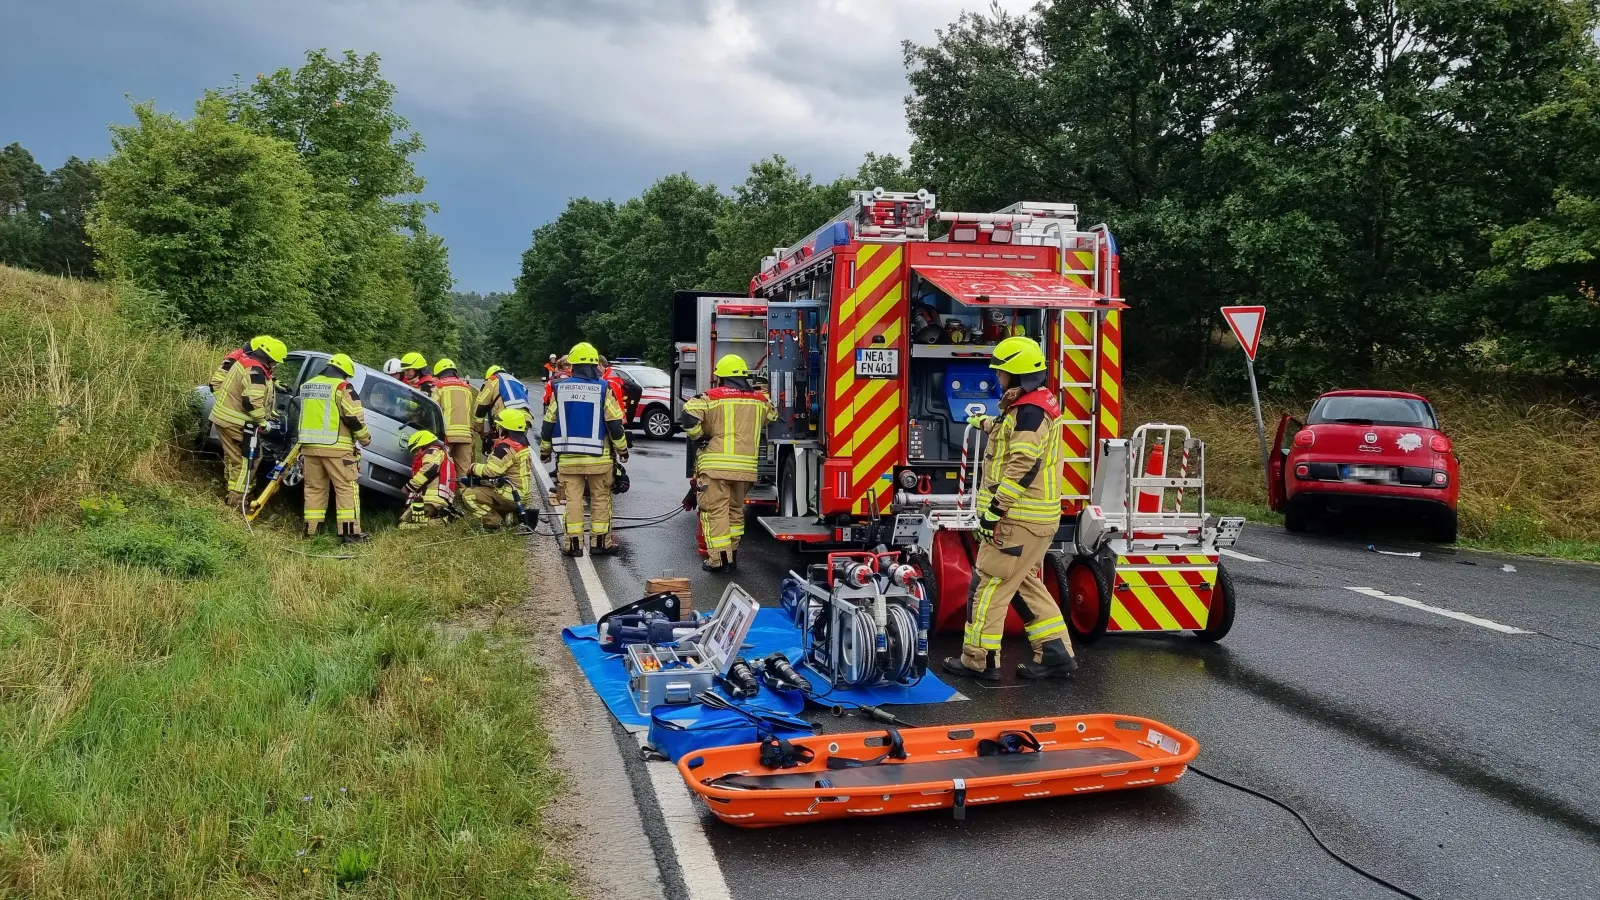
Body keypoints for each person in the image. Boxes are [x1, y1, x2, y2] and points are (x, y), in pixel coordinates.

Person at [942, 336, 1077, 682]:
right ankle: (1056, 654)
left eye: (1000, 372)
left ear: (1016, 374)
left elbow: (1022, 465)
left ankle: (979, 661)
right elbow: (1011, 435)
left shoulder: (1030, 412)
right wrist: (985, 423)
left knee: (987, 588)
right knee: (1023, 584)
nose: (997, 377)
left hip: (1016, 520)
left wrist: (993, 513)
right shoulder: (1033, 405)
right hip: (1036, 520)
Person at [680, 354, 774, 573]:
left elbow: (688, 415)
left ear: (721, 377)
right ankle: (732, 556)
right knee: (735, 512)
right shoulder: (760, 401)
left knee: (716, 512)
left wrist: (698, 437)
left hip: (716, 468)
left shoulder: (710, 398)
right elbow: (772, 416)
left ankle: (720, 561)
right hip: (745, 470)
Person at [539, 341, 628, 557]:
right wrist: (622, 450)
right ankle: (600, 544)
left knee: (573, 501)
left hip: (569, 460)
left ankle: (574, 546)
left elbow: (548, 424)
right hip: (599, 459)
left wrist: (545, 451)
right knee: (600, 499)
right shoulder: (604, 389)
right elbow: (615, 424)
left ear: (573, 365)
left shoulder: (559, 388)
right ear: (595, 364)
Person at [298, 353, 372, 543]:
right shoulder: (343, 388)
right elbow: (353, 417)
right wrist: (364, 438)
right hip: (338, 449)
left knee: (314, 488)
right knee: (346, 488)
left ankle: (312, 531)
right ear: (345, 373)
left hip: (309, 447)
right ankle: (350, 533)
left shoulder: (308, 385)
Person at [208, 335, 286, 508]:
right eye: (275, 362)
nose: (275, 365)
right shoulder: (256, 370)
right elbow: (251, 401)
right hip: (237, 422)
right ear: (270, 358)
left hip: (226, 418)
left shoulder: (245, 362)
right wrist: (263, 422)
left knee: (234, 457)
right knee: (247, 461)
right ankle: (236, 501)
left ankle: (231, 489)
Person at [462, 408, 533, 529]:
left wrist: (474, 467)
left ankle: (494, 522)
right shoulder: (522, 445)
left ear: (504, 428)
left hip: (511, 495)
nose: (497, 429)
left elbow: (491, 471)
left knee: (469, 495)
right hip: (522, 494)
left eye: (499, 426)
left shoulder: (505, 447)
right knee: (491, 491)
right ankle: (511, 517)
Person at [400, 429, 456, 529]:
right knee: (404, 520)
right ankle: (438, 518)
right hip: (433, 499)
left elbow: (430, 468)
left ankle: (439, 522)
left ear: (423, 445)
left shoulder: (432, 452)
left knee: (404, 525)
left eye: (416, 450)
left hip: (431, 500)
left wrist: (410, 486)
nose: (415, 454)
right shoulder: (441, 454)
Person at [431, 358, 477, 472]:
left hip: (446, 435)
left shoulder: (439, 387)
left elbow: (433, 410)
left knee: (440, 467)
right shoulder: (467, 389)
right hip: (466, 436)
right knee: (464, 471)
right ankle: (463, 484)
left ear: (438, 374)